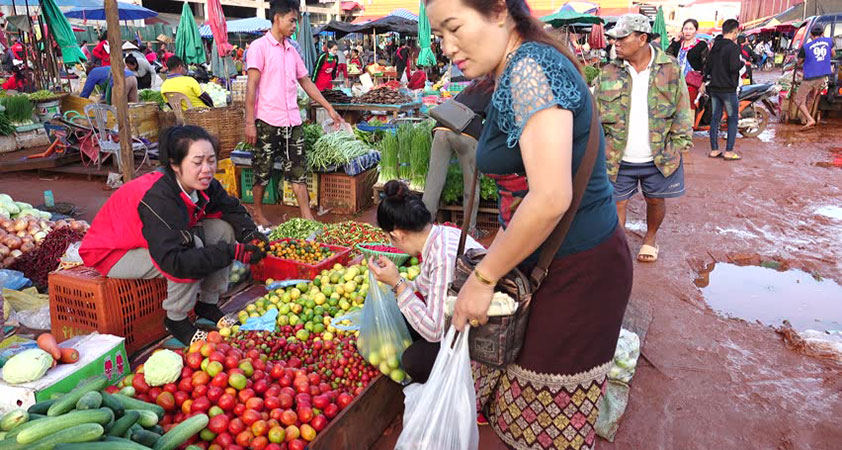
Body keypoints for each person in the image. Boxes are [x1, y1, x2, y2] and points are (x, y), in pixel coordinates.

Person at [427, 1, 633, 449]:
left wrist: (483, 278)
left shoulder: (529, 69)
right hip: (543, 264)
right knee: (519, 411)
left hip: (577, 273)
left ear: (500, 11)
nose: (447, 47)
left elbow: (550, 197)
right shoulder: (515, 67)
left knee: (541, 422)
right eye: (440, 35)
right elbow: (520, 197)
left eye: (454, 28)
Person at [80, 126, 267, 345]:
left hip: (156, 241)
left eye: (211, 160)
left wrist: (250, 237)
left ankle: (207, 303)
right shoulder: (159, 197)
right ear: (175, 165)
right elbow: (175, 260)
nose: (207, 169)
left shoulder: (204, 184)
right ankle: (176, 320)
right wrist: (230, 252)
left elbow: (230, 210)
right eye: (197, 162)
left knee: (222, 230)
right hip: (115, 253)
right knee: (192, 245)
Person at [597, 14, 692, 265]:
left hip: (658, 155)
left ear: (642, 38)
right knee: (616, 203)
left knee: (654, 200)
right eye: (613, 39)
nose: (615, 43)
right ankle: (617, 246)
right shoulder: (608, 72)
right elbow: (594, 110)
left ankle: (650, 237)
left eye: (621, 38)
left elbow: (683, 108)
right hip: (617, 156)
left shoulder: (669, 69)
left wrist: (679, 145)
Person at [367, 180, 483, 382]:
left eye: (388, 238)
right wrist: (396, 280)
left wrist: (397, 284)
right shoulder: (440, 237)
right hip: (462, 313)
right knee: (401, 317)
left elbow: (435, 331)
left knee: (414, 361)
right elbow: (422, 285)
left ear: (397, 234)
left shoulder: (443, 258)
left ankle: (465, 377)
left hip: (478, 331)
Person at [244, 0, 342, 226]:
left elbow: (306, 82)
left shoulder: (292, 50)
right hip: (267, 121)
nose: (295, 26)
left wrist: (329, 108)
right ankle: (258, 213)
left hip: (292, 121)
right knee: (262, 172)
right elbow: (252, 87)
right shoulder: (259, 47)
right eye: (292, 21)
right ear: (277, 18)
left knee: (299, 172)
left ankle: (307, 216)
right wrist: (250, 122)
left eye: (296, 22)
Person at [422, 78, 494, 236]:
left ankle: (423, 228)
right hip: (466, 132)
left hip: (441, 128)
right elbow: (492, 122)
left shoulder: (472, 86)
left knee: (433, 181)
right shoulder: (495, 89)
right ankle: (470, 231)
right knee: (471, 184)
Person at [704, 19, 743, 160]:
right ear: (734, 32)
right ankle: (729, 151)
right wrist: (741, 64)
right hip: (728, 89)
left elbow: (707, 66)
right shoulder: (733, 48)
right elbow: (734, 68)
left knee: (715, 118)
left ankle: (714, 150)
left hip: (714, 89)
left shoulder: (715, 47)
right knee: (732, 119)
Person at [796, 25, 835, 130]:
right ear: (822, 33)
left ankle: (809, 119)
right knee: (811, 96)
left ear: (811, 35)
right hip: (822, 75)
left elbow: (799, 61)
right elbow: (833, 54)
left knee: (798, 99)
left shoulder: (806, 47)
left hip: (810, 77)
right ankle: (804, 119)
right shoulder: (829, 41)